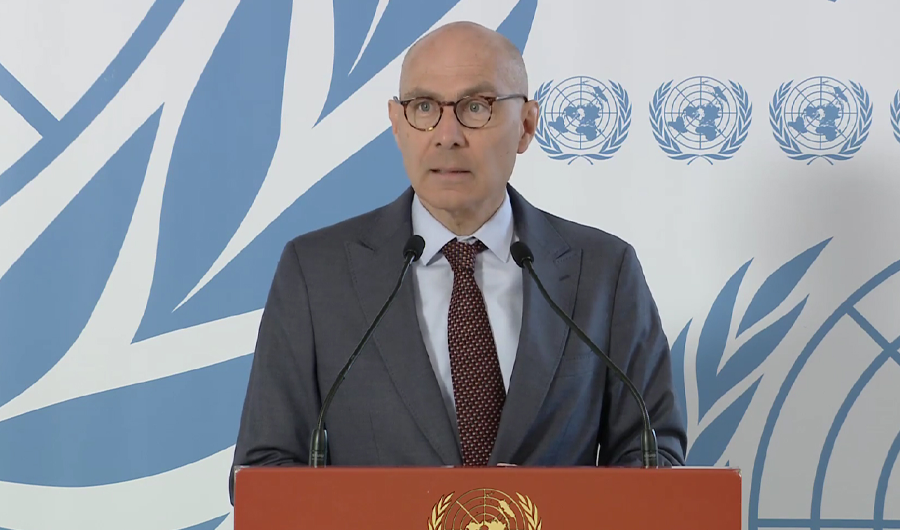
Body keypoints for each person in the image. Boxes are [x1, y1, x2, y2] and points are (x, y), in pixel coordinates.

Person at [229, 21, 686, 503]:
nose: (447, 136)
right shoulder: (316, 273)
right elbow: (266, 470)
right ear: (397, 123)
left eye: (476, 107)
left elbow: (651, 458)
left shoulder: (603, 271)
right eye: (424, 107)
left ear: (526, 125)